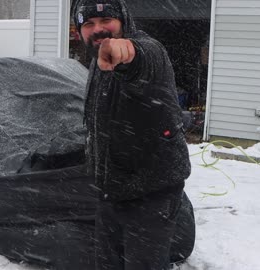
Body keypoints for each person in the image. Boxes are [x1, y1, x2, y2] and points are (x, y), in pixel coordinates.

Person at [72, 0, 192, 269]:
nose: (98, 30)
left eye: (106, 21)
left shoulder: (148, 50)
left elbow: (140, 57)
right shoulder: (95, 62)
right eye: (88, 24)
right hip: (111, 190)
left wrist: (126, 52)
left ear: (123, 21)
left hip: (151, 193)